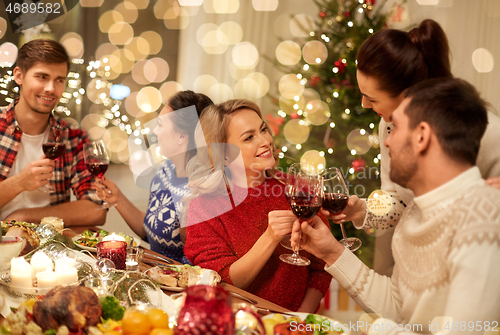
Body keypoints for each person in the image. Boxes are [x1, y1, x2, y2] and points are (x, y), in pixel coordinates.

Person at [292, 77, 500, 334]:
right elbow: (399, 307)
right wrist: (332, 252)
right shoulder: (414, 213)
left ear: (422, 136)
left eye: (396, 127)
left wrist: (371, 331)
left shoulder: (484, 214)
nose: (387, 141)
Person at [328, 19, 500, 275]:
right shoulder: (387, 126)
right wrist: (362, 210)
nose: (364, 104)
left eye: (372, 98)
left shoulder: (485, 131)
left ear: (409, 94)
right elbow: (396, 200)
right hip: (415, 261)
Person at [183, 99, 332, 312]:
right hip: (234, 322)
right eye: (249, 137)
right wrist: (270, 237)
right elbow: (219, 281)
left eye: (263, 130)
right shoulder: (205, 206)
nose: (265, 141)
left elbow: (321, 267)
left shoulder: (297, 189)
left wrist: (299, 319)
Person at [97, 91, 213, 263]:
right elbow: (150, 231)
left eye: (160, 124)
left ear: (182, 136)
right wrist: (118, 199)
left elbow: (193, 267)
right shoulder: (165, 169)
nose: (155, 131)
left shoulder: (202, 189)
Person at [0, 39, 105, 226]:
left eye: (59, 80)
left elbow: (96, 208)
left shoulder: (73, 138)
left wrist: (24, 216)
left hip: (50, 249)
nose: (50, 88)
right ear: (19, 76)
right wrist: (18, 183)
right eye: (42, 77)